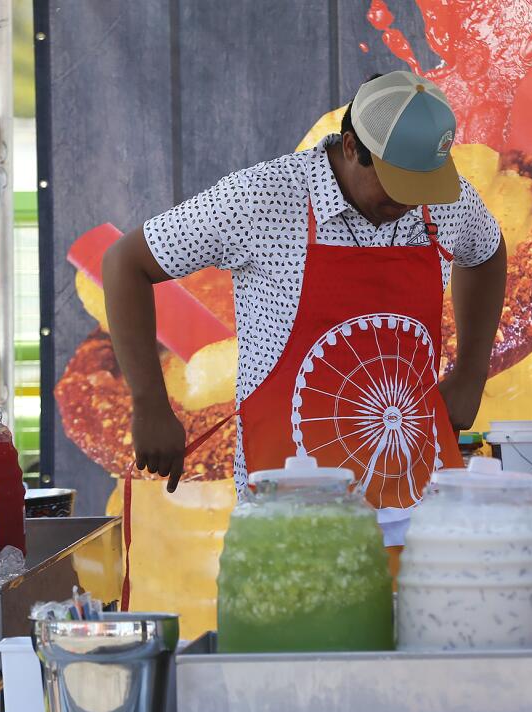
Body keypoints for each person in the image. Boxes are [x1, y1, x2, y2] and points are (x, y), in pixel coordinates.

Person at [102, 71, 507, 540]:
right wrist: (149, 402)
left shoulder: (443, 202)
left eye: (423, 188)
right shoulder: (264, 197)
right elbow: (125, 263)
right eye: (398, 187)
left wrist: (471, 372)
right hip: (285, 509)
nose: (412, 204)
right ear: (353, 147)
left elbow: (487, 251)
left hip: (411, 501)